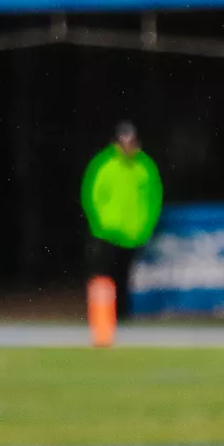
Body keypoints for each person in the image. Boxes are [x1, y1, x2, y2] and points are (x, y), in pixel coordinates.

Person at [81, 122, 163, 321]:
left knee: (124, 276)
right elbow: (91, 196)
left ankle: (123, 315)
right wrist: (98, 224)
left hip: (132, 233)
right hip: (107, 232)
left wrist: (145, 227)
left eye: (131, 142)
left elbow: (154, 199)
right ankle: (100, 315)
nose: (127, 146)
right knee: (103, 276)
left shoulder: (144, 166)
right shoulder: (104, 164)